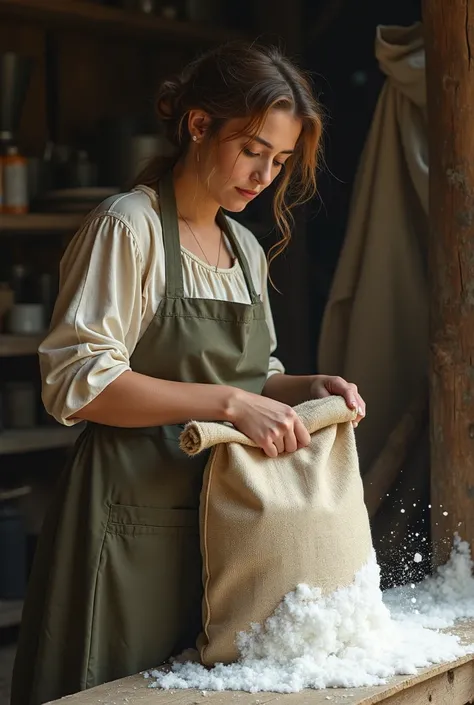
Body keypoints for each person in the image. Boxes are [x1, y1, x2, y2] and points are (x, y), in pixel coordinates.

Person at [11, 42, 366, 705]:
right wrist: (232, 403)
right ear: (199, 125)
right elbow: (77, 380)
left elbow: (256, 376)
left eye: (280, 161)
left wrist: (311, 389)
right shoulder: (129, 226)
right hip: (127, 525)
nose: (264, 175)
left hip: (226, 531)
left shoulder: (245, 247)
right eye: (253, 149)